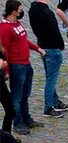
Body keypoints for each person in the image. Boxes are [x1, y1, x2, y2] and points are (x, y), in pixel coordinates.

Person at [0, 0, 46, 135]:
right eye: (20, 10)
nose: (21, 12)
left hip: (26, 63)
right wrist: (6, 71)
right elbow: (4, 50)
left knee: (25, 95)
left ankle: (26, 118)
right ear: (13, 12)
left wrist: (37, 48)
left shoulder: (17, 25)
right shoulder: (5, 29)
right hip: (16, 65)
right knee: (17, 97)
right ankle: (18, 123)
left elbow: (24, 40)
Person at [28, 0, 68, 119]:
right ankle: (48, 107)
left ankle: (55, 101)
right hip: (52, 48)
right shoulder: (47, 12)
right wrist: (61, 45)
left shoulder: (32, 11)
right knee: (51, 79)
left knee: (50, 76)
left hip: (42, 46)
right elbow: (55, 31)